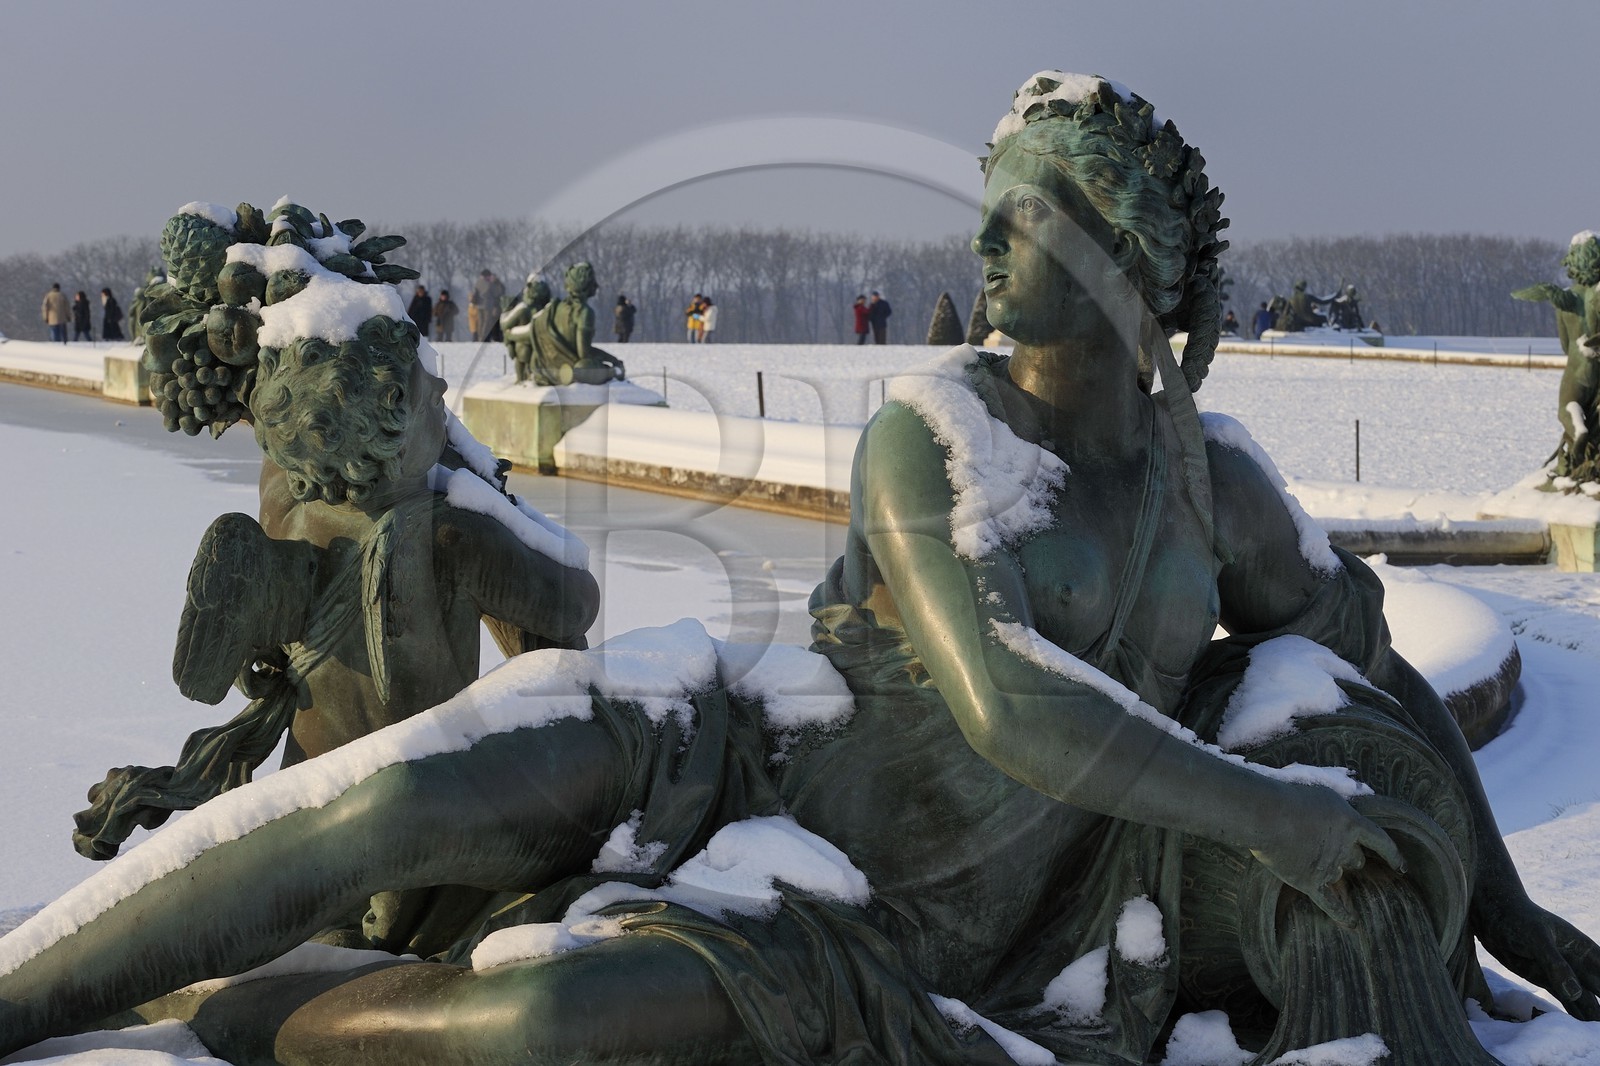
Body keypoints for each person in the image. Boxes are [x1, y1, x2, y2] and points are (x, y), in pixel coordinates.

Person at [4, 73, 1598, 1066]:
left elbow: (1368, 675)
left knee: (545, 1027)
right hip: (732, 748)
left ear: (1124, 258)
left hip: (903, 932)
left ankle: (226, 1010)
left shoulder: (1216, 483)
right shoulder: (934, 429)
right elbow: (1006, 699)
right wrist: (1271, 812)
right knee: (385, 804)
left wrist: (1521, 924)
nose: (985, 245)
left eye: (1025, 217)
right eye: (989, 213)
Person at [471, 270, 506, 342]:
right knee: (486, 322)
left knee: (480, 322)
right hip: (487, 305)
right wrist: (497, 282)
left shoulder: (478, 283)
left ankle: (480, 336)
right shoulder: (490, 284)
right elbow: (498, 293)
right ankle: (483, 337)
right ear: (487, 276)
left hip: (479, 305)